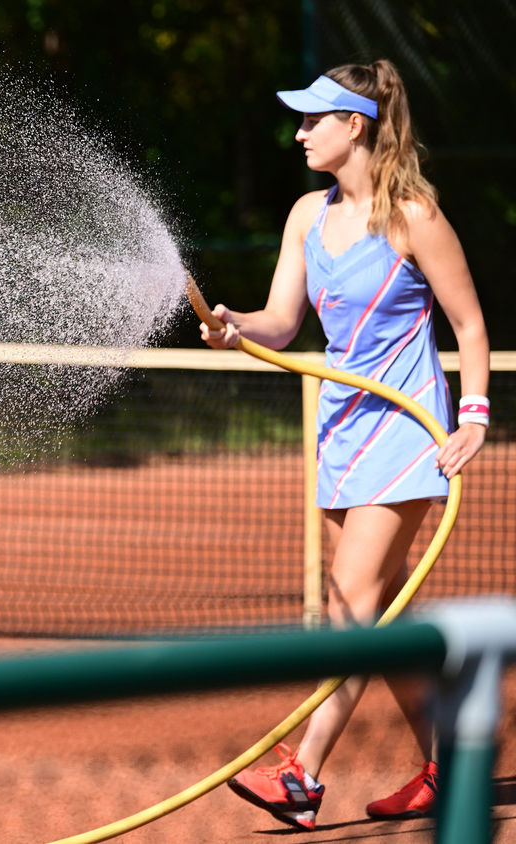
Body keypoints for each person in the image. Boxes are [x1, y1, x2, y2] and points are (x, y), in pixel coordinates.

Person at [200, 60, 490, 830]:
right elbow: (281, 322)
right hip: (342, 429)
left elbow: (468, 323)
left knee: (351, 603)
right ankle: (453, 759)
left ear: (354, 125)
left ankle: (303, 774)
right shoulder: (305, 215)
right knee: (383, 616)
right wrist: (237, 328)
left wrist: (474, 417)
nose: (299, 133)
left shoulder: (414, 216)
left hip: (408, 430)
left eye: (312, 120)